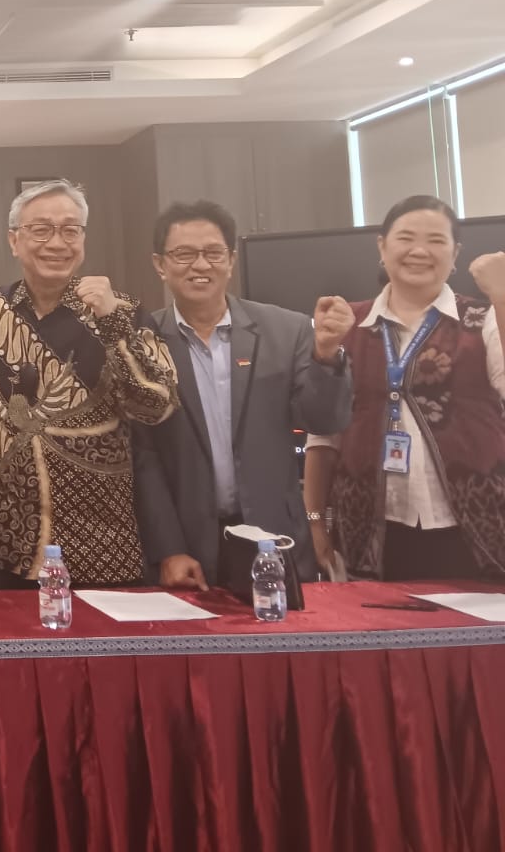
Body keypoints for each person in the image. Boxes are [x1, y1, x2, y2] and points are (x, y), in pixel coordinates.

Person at [0, 180, 178, 588]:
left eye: (70, 230)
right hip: (2, 545)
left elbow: (157, 406)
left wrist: (112, 323)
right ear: (14, 240)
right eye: (41, 229)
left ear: (83, 239)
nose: (57, 242)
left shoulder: (124, 311)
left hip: (101, 546)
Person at [132, 201, 354, 588]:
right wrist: (168, 549)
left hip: (274, 538)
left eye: (213, 253)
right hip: (187, 547)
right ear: (160, 264)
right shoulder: (142, 343)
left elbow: (323, 420)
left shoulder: (287, 330)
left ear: (231, 260)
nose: (201, 265)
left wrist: (326, 355)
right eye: (184, 254)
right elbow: (143, 457)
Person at [305, 196, 505, 581]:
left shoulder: (484, 318)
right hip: (369, 530)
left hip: (479, 527)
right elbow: (323, 436)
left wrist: (501, 296)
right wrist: (314, 522)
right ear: (382, 247)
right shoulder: (347, 322)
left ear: (455, 253)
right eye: (406, 238)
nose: (419, 251)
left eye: (436, 240)